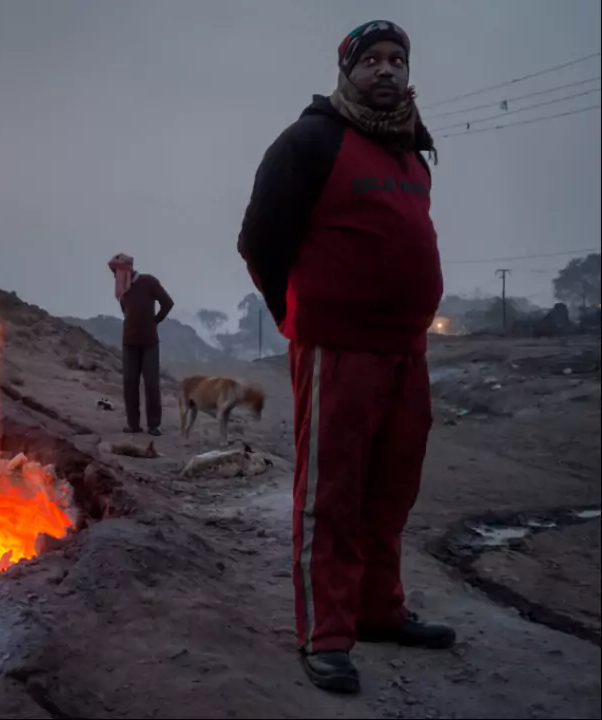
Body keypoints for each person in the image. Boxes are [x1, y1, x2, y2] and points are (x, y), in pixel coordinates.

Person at [237, 20, 455, 695]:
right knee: (330, 494)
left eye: (397, 59)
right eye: (372, 60)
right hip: (339, 349)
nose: (386, 71)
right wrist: (297, 316)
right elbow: (260, 241)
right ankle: (326, 634)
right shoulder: (310, 141)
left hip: (406, 351)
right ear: (346, 70)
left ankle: (378, 612)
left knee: (391, 491)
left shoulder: (412, 151)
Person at [108, 253, 174, 436]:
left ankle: (154, 425)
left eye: (116, 271)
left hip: (149, 342)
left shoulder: (149, 282)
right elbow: (125, 311)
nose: (115, 276)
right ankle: (133, 424)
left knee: (151, 383)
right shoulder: (122, 289)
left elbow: (168, 303)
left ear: (126, 269)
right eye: (113, 272)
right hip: (129, 342)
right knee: (130, 383)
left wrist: (154, 321)